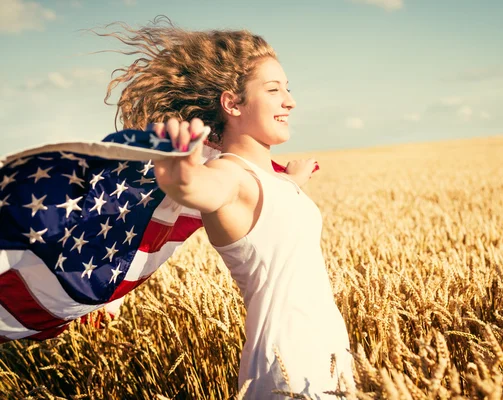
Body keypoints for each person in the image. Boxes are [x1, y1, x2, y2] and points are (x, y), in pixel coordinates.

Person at [104, 18, 355, 398]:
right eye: (273, 90)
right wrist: (180, 173)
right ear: (232, 103)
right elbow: (201, 187)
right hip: (288, 371)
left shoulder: (267, 181)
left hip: (328, 358)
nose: (290, 100)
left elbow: (269, 209)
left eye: (288, 88)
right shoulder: (225, 174)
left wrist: (294, 180)